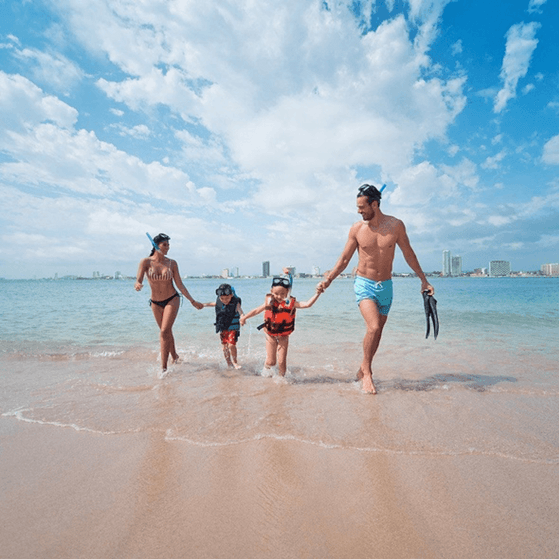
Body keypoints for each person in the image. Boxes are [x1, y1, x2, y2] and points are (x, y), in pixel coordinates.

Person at [318, 184, 434, 395]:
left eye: (362, 207)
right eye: (357, 207)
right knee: (372, 327)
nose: (359, 211)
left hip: (386, 286)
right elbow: (345, 259)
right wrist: (328, 280)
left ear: (374, 204)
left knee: (378, 330)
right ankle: (368, 373)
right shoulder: (357, 229)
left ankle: (362, 369)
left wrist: (423, 280)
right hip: (364, 284)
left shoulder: (396, 225)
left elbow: (409, 254)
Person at [135, 233, 203, 378]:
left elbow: (180, 285)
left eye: (168, 245)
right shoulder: (145, 262)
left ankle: (163, 369)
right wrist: (138, 285)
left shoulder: (172, 263)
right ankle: (175, 356)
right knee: (166, 332)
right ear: (155, 245)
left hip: (172, 299)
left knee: (164, 331)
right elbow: (138, 280)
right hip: (155, 302)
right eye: (165, 244)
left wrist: (192, 301)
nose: (168, 247)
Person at [240, 270, 321, 377]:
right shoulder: (269, 302)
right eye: (276, 294)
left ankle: (281, 381)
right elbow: (256, 311)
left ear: (287, 292)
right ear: (271, 291)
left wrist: (317, 293)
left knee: (282, 362)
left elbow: (307, 304)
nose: (279, 296)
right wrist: (244, 317)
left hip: (284, 335)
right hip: (270, 334)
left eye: (282, 294)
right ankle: (264, 373)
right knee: (271, 362)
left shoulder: (291, 304)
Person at [202, 283, 244, 369]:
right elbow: (212, 304)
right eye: (222, 299)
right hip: (223, 327)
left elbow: (241, 312)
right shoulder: (219, 302)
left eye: (227, 298)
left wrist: (243, 318)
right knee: (224, 347)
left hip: (233, 328)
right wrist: (202, 305)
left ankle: (235, 362)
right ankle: (229, 364)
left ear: (231, 295)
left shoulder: (236, 303)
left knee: (231, 345)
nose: (224, 300)